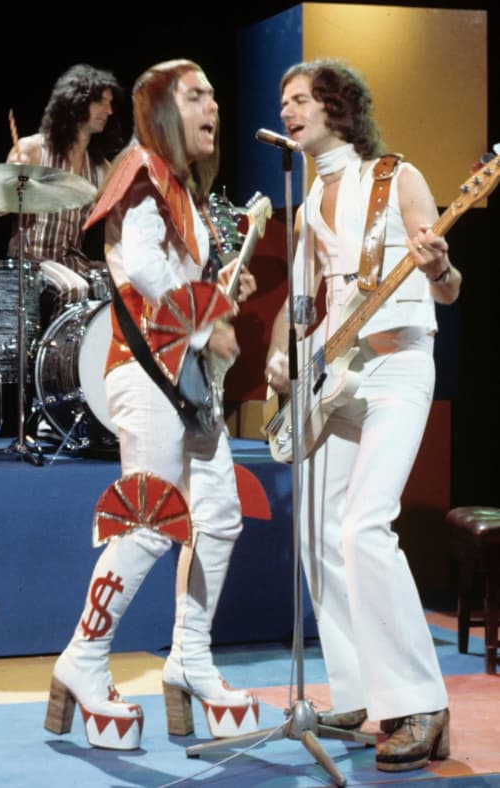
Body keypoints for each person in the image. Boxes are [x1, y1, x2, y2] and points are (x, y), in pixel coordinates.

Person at [43, 59, 259, 750]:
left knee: (217, 517)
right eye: (196, 96)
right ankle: (83, 659)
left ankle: (190, 659)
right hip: (146, 372)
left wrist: (220, 291)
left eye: (215, 95)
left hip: (182, 379)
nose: (213, 107)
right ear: (163, 109)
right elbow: (140, 265)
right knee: (149, 522)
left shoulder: (181, 189)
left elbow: (173, 275)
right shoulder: (142, 169)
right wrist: (205, 317)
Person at [264, 58, 459, 772]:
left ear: (336, 107)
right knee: (318, 529)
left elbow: (449, 288)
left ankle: (422, 703)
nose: (286, 111)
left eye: (299, 99)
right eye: (283, 101)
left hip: (398, 364)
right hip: (336, 374)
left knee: (363, 524)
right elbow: (304, 303)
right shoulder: (310, 201)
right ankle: (355, 690)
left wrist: (437, 266)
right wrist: (283, 354)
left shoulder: (395, 177)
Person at [5, 63, 125, 325]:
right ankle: (55, 351)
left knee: (122, 283)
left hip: (72, 260)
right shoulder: (33, 150)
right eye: (101, 102)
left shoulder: (101, 169)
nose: (109, 110)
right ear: (77, 102)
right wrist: (17, 180)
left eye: (110, 103)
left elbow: (119, 221)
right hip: (31, 262)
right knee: (74, 288)